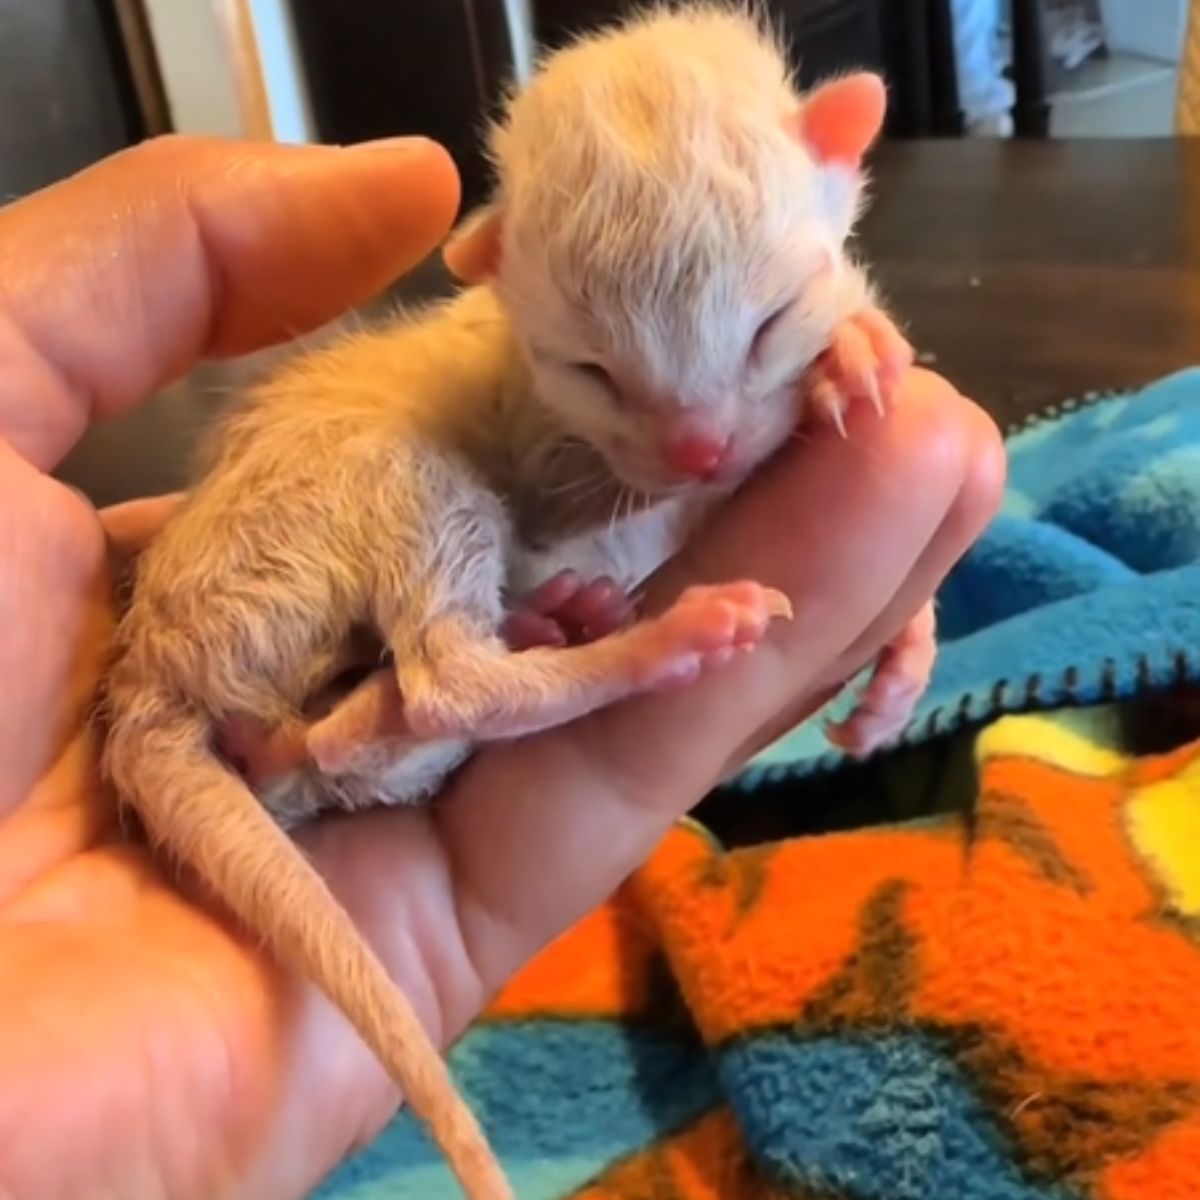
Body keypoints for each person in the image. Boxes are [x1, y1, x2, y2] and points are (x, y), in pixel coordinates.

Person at [0, 134, 1004, 1199]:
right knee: (456, 536)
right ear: (499, 275)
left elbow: (779, 483)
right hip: (276, 617)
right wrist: (630, 654)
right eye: (599, 363)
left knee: (402, 691)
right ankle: (426, 694)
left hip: (287, 716)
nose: (703, 440)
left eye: (763, 326)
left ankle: (341, 731)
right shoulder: (483, 406)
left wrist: (900, 584)